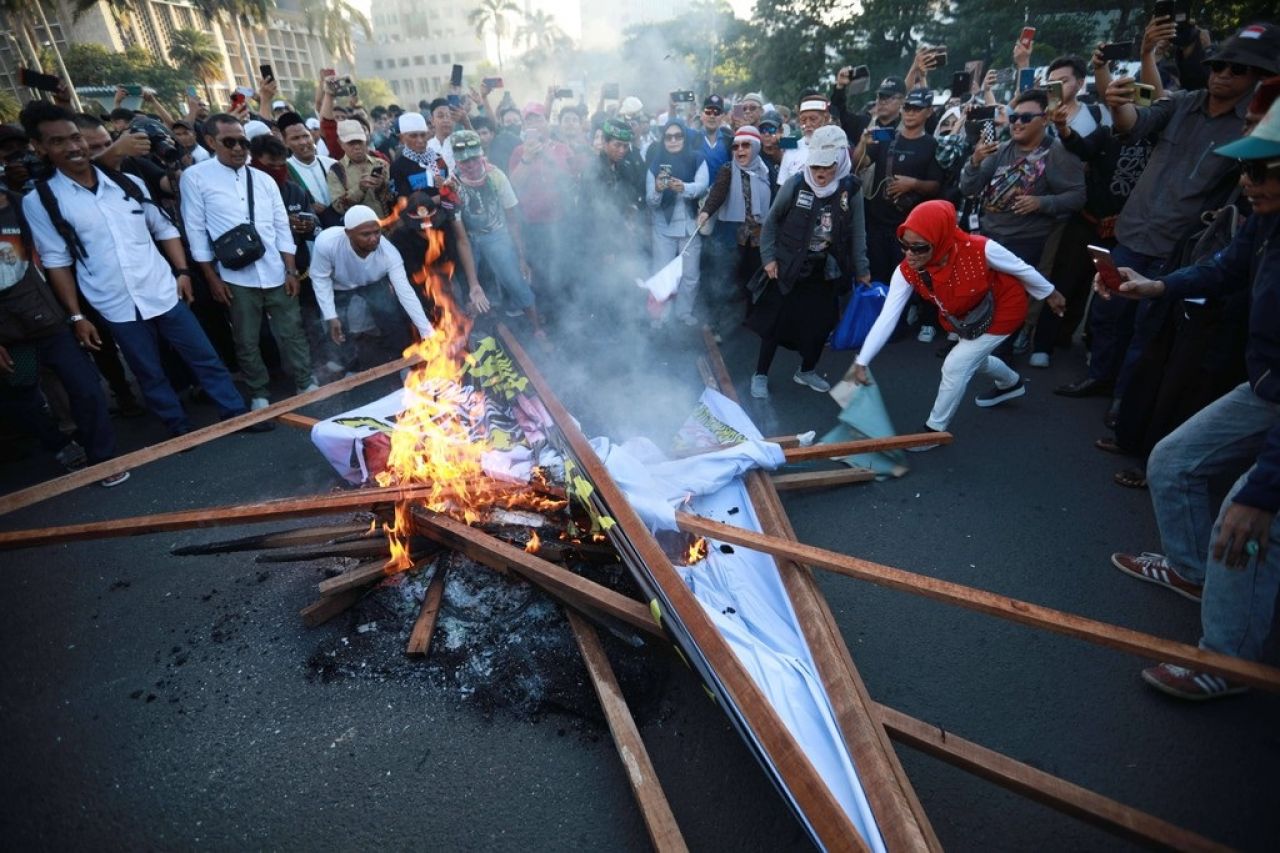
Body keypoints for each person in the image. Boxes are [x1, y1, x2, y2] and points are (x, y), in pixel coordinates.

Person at [1097, 102, 1280, 700]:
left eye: (1265, 170)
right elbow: (1228, 265)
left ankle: (1227, 662)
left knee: (1246, 519)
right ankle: (1192, 572)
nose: (1248, 182)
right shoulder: (1265, 218)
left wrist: (1262, 492)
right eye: (1246, 170)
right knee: (1172, 462)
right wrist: (1161, 285)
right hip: (1266, 385)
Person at [1056, 21, 1277, 402]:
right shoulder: (1182, 102)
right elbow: (1134, 123)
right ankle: (1100, 377)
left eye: (1236, 69)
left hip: (1177, 246)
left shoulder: (1254, 127)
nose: (1222, 74)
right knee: (1108, 314)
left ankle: (1124, 407)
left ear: (1259, 77)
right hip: (1133, 230)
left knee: (1148, 330)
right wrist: (1119, 102)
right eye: (1217, 65)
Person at [20, 102, 267, 442]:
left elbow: (164, 229)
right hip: (113, 301)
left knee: (205, 357)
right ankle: (177, 429)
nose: (74, 148)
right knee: (148, 371)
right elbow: (56, 261)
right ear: (40, 147)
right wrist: (77, 317)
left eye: (77, 138)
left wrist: (181, 271)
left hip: (163, 289)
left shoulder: (130, 183)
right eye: (59, 141)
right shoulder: (42, 200)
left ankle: (236, 414)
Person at [849, 199, 1065, 445]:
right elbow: (887, 318)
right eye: (904, 244)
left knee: (955, 364)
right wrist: (862, 360)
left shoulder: (980, 248)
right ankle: (1010, 383)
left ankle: (934, 432)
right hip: (966, 318)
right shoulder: (906, 271)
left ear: (940, 239)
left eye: (919, 248)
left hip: (1004, 308)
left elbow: (1020, 268)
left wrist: (1049, 293)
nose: (910, 254)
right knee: (974, 358)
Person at [181, 112, 317, 410]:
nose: (238, 148)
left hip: (276, 271)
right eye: (229, 142)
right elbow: (194, 230)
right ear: (210, 141)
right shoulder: (196, 177)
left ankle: (305, 381)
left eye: (242, 142)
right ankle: (259, 393)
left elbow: (282, 226)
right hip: (234, 276)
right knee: (246, 338)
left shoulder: (264, 179)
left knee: (292, 330)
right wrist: (212, 278)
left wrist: (291, 269)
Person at [0, 186, 123, 484]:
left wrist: (76, 315)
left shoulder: (25, 204)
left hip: (52, 322)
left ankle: (102, 459)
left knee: (87, 387)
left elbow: (56, 260)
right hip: (11, 336)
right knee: (23, 402)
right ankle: (60, 446)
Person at [750, 125, 869, 398]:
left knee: (820, 325)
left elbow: (859, 233)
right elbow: (770, 224)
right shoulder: (795, 183)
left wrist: (863, 270)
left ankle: (806, 371)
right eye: (815, 165)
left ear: (839, 161)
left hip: (826, 270)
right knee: (775, 325)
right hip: (788, 267)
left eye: (827, 166)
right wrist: (768, 258)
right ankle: (760, 374)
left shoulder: (851, 189)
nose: (820, 172)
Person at [959, 89, 1086, 268]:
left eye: (1025, 118)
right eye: (1013, 118)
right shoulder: (1001, 150)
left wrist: (1041, 202)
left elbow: (1078, 197)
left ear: (1044, 119)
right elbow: (969, 189)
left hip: (1028, 245)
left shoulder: (1058, 152)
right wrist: (974, 162)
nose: (1017, 123)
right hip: (989, 239)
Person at [309, 206, 435, 370]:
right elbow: (320, 278)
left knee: (391, 318)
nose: (374, 238)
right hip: (338, 286)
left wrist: (427, 331)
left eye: (377, 232)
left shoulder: (389, 254)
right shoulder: (327, 243)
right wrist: (330, 315)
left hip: (374, 282)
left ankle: (402, 364)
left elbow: (405, 292)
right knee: (337, 326)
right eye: (366, 234)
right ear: (348, 233)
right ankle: (347, 368)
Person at [448, 130, 545, 338]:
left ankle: (537, 329)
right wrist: (473, 284)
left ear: (481, 155)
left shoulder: (497, 176)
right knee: (470, 291)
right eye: (464, 162)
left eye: (474, 159)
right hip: (470, 238)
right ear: (456, 160)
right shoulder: (451, 186)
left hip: (498, 234)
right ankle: (476, 336)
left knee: (516, 282)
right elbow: (462, 238)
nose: (470, 165)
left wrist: (521, 258)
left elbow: (512, 220)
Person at [697, 125, 773, 338]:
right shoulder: (728, 169)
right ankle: (716, 325)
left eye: (746, 145)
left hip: (758, 238)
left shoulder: (767, 170)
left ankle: (750, 320)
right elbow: (718, 192)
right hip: (732, 237)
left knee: (752, 281)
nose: (740, 150)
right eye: (736, 146)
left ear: (756, 147)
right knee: (725, 280)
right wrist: (705, 212)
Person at [644, 120, 709, 327]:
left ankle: (683, 312)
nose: (673, 140)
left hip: (690, 224)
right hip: (663, 226)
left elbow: (702, 187)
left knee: (690, 274)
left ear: (685, 137)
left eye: (678, 136)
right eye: (668, 136)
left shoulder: (697, 158)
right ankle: (660, 315)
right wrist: (658, 189)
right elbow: (651, 201)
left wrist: (683, 187)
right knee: (662, 273)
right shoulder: (655, 163)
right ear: (663, 139)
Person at [325, 119, 391, 218]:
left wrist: (382, 187)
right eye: (351, 143)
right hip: (361, 229)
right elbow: (339, 208)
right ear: (340, 143)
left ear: (366, 140)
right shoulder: (336, 171)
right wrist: (360, 189)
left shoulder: (381, 164)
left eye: (360, 142)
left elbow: (395, 198)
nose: (357, 147)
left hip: (388, 225)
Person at [777, 94, 830, 187]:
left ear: (825, 119)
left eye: (813, 119)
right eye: (803, 120)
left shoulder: (838, 147)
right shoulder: (792, 148)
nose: (808, 124)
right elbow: (783, 188)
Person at [388, 111, 440, 203]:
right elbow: (403, 203)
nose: (420, 140)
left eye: (423, 135)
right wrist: (438, 199)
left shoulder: (438, 159)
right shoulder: (398, 167)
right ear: (402, 138)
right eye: (413, 136)